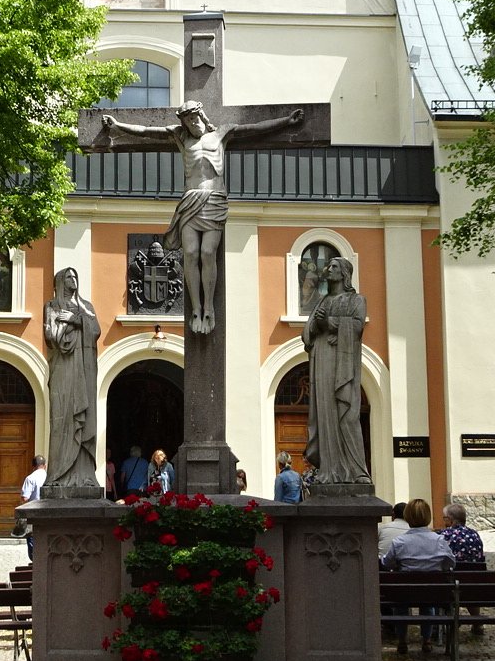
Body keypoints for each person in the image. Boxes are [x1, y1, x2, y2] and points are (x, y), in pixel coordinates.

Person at [99, 101, 304, 333]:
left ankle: (209, 307)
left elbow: (254, 128)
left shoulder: (222, 133)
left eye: (194, 118)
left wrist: (286, 121)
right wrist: (118, 125)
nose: (192, 123)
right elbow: (146, 132)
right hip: (190, 200)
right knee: (190, 253)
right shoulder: (180, 137)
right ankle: (196, 308)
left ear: (202, 116)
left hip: (214, 199)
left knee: (207, 252)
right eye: (188, 121)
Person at [303, 256, 372, 486]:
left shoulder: (356, 300)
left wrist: (331, 324)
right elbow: (308, 333)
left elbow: (357, 327)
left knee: (347, 414)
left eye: (334, 266)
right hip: (323, 358)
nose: (328, 269)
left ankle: (357, 471)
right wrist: (317, 324)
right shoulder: (321, 302)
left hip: (343, 362)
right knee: (325, 413)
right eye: (328, 266)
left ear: (344, 273)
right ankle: (329, 470)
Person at [44, 267, 101, 489]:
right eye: (69, 277)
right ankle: (58, 475)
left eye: (75, 276)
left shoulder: (86, 306)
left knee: (85, 418)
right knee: (62, 417)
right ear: (60, 281)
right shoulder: (52, 306)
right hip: (64, 368)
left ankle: (85, 476)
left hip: (84, 369)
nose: (73, 279)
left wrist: (75, 320)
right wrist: (68, 325)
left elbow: (95, 330)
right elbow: (51, 335)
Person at [381, 499, 454, 571]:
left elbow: (387, 564)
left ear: (407, 517)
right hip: (435, 578)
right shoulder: (439, 540)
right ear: (428, 516)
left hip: (407, 578)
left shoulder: (399, 542)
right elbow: (451, 563)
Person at [19, 454, 47, 560]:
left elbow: (25, 498)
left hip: (34, 514)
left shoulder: (30, 478)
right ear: (45, 465)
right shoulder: (50, 478)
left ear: (33, 466)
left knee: (32, 538)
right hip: (48, 513)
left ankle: (36, 562)